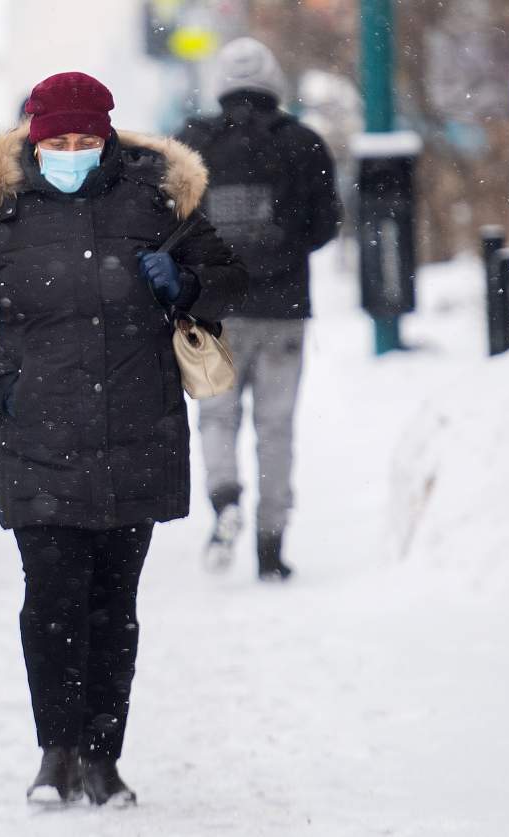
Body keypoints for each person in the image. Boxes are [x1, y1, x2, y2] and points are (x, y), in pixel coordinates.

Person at [0, 72, 247, 806]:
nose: (71, 152)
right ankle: (57, 751)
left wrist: (186, 284)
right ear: (32, 142)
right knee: (51, 597)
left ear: (106, 136)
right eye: (56, 142)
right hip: (35, 436)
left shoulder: (154, 200)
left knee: (114, 602)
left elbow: (231, 277)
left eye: (84, 140)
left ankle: (105, 758)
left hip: (137, 427)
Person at [177, 37, 342, 581]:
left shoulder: (191, 144)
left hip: (209, 312)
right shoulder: (303, 144)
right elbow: (325, 225)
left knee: (216, 417)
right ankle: (271, 546)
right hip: (283, 309)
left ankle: (225, 497)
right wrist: (283, 249)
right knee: (276, 428)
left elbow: (167, 224)